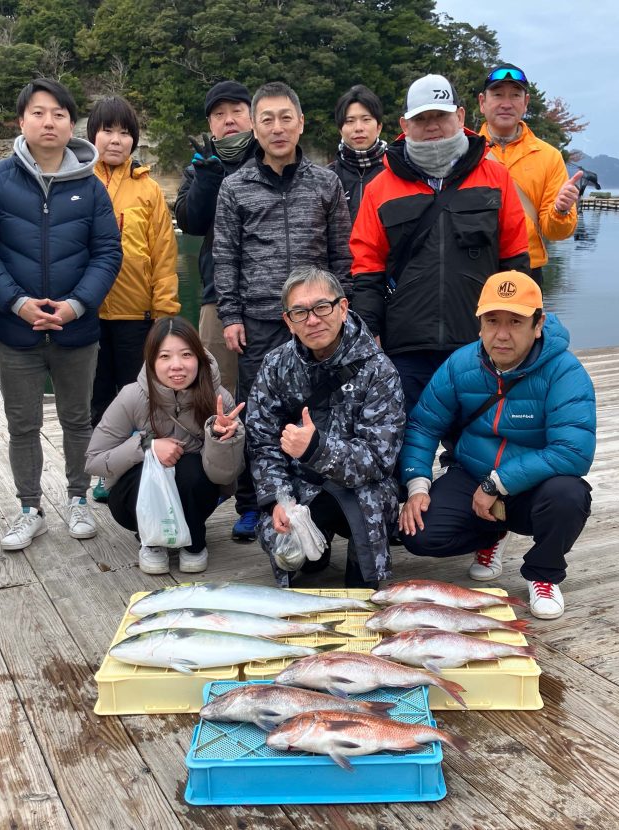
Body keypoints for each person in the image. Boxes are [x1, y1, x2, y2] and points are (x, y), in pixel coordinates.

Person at [0, 78, 122, 551]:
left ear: (71, 124)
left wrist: (76, 305)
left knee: (77, 419)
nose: (48, 121)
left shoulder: (91, 187)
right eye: (38, 112)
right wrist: (17, 302)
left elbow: (107, 253)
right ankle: (29, 508)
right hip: (16, 330)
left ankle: (77, 499)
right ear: (21, 121)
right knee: (22, 425)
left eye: (58, 113)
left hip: (78, 330)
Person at [398, 271, 595, 619]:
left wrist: (497, 483)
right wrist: (417, 485)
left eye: (515, 322)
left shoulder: (565, 372)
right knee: (419, 534)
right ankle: (493, 534)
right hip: (471, 472)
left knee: (569, 496)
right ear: (480, 324)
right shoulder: (460, 363)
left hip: (534, 487)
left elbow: (572, 452)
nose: (502, 334)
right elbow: (424, 425)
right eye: (492, 321)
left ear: (538, 324)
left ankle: (544, 573)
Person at [214, 81, 353, 541]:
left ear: (301, 123)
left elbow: (341, 255)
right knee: (259, 413)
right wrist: (231, 316)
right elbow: (225, 256)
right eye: (267, 120)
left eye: (285, 118)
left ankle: (318, 495)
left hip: (317, 318)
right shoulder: (235, 187)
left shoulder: (326, 183)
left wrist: (341, 313)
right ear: (254, 127)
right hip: (259, 318)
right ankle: (254, 503)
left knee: (320, 407)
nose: (277, 128)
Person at [350, 72, 530, 418]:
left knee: (478, 440)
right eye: (422, 118)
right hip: (405, 350)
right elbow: (367, 270)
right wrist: (370, 334)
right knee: (405, 439)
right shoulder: (379, 188)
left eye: (441, 116)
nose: (432, 126)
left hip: (480, 344)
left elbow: (515, 263)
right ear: (405, 124)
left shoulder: (496, 178)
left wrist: (520, 329)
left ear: (460, 117)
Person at [246, 266, 404, 589]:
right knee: (292, 553)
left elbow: (378, 459)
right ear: (288, 321)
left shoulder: (379, 370)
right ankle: (314, 551)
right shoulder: (275, 366)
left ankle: (362, 570)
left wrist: (316, 448)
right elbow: (261, 442)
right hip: (300, 485)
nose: (313, 320)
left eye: (322, 307)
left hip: (362, 489)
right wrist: (279, 500)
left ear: (342, 308)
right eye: (300, 312)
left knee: (369, 500)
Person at [85, 317, 245, 574]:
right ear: (151, 360)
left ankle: (194, 542)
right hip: (134, 499)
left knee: (191, 469)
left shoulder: (218, 399)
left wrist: (220, 439)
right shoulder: (133, 396)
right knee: (148, 468)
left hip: (197, 493)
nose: (176, 365)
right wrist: (146, 446)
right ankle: (151, 541)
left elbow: (225, 477)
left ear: (199, 358)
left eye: (186, 355)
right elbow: (94, 461)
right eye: (165, 356)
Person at [86, 95, 180, 502]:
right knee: (97, 397)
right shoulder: (77, 181)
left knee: (136, 397)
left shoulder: (149, 189)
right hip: (85, 313)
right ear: (92, 135)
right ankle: (103, 471)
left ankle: (138, 468)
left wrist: (165, 313)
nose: (116, 140)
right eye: (107, 130)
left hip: (135, 315)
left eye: (125, 133)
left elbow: (163, 256)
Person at [174, 80, 256, 397]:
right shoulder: (199, 167)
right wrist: (206, 180)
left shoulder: (272, 160)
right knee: (218, 391)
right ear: (210, 124)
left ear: (253, 117)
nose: (229, 120)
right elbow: (190, 223)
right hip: (217, 296)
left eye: (237, 111)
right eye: (219, 115)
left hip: (271, 297)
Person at [478, 63, 582, 284]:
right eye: (497, 95)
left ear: (525, 103)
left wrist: (561, 210)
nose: (506, 104)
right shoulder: (464, 152)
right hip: (473, 269)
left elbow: (556, 233)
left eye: (515, 95)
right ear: (482, 103)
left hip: (527, 269)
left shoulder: (548, 156)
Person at [328, 84, 386, 224]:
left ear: (379, 127)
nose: (358, 128)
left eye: (366, 119)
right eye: (350, 121)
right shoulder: (328, 177)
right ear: (340, 130)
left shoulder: (396, 171)